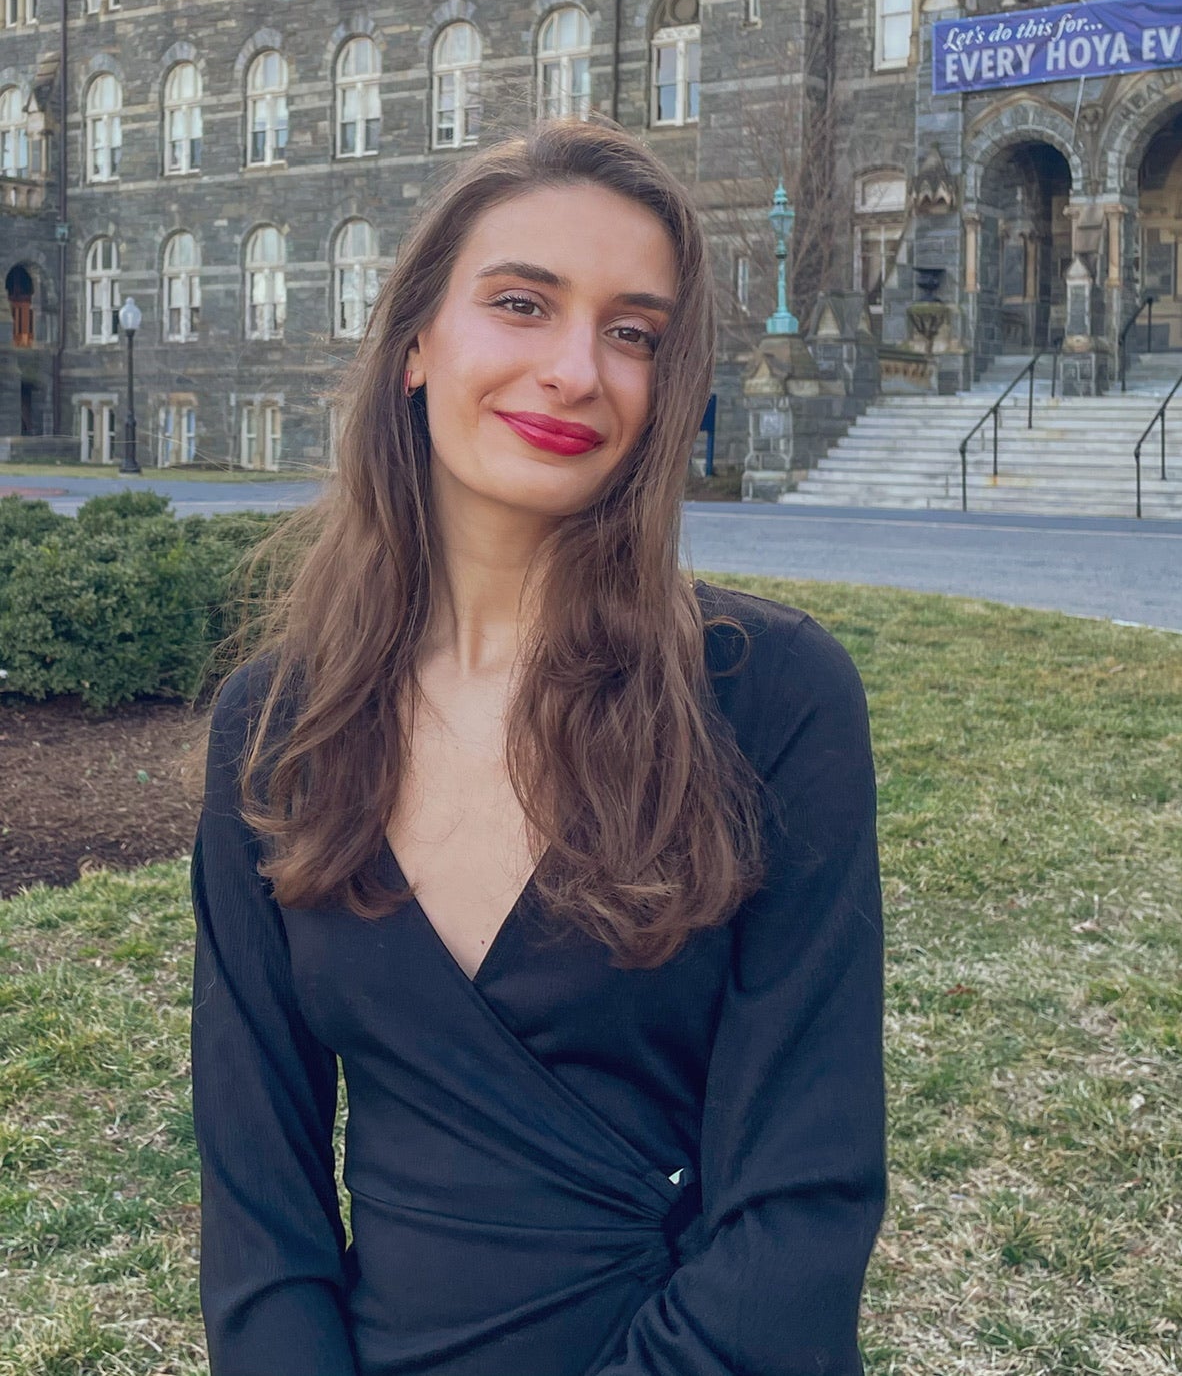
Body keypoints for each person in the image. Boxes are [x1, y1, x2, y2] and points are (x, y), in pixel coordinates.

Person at [190, 121, 886, 1376]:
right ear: (416, 342)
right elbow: (261, 1210)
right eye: (522, 303)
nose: (576, 368)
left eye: (635, 333)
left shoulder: (772, 696)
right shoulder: (277, 726)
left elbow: (801, 1204)